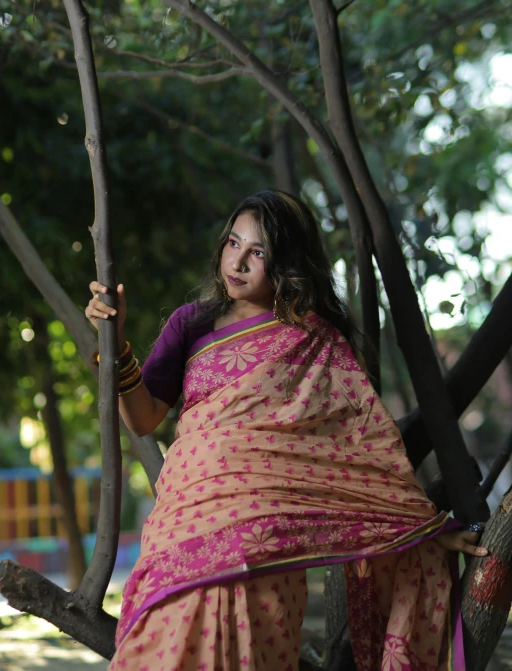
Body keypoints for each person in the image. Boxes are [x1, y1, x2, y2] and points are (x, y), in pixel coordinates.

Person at [86, 190, 487, 671]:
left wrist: (420, 530)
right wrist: (116, 345)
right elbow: (144, 417)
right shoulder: (191, 323)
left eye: (257, 252)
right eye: (233, 243)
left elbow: (363, 454)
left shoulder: (316, 343)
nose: (237, 262)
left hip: (267, 552)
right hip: (186, 529)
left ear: (288, 265)